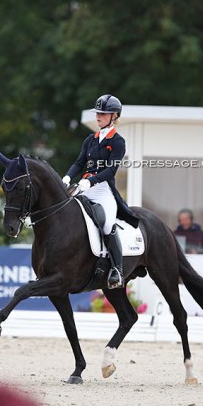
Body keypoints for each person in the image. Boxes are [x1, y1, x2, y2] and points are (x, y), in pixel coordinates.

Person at [62, 94, 139, 289]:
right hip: (84, 187)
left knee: (106, 225)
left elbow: (110, 170)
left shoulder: (118, 141)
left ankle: (117, 270)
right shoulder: (90, 139)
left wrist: (91, 182)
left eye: (103, 113)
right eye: (97, 113)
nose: (98, 116)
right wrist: (68, 177)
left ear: (114, 116)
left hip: (103, 190)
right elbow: (80, 162)